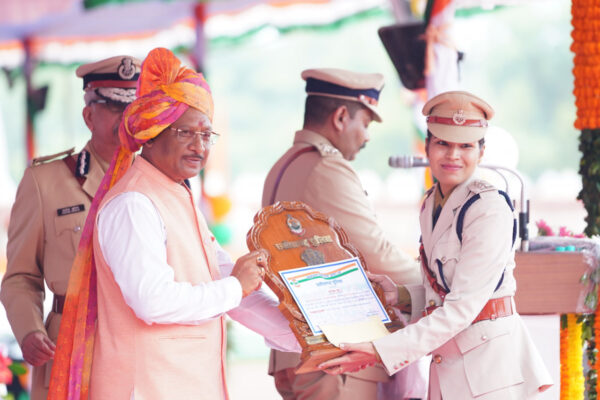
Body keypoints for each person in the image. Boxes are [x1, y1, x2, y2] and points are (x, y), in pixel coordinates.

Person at [47, 47, 299, 400]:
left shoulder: (176, 195)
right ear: (152, 132)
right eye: (186, 133)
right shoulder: (134, 203)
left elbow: (228, 282)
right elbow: (153, 300)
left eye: (207, 135)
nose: (200, 147)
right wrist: (235, 288)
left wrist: (308, 337)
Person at [318, 91, 553, 399]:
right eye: (443, 143)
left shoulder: (489, 208)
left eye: (465, 146)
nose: (453, 155)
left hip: (490, 373)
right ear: (427, 146)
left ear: (481, 153)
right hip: (450, 368)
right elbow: (444, 289)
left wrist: (378, 351)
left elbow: (459, 309)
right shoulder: (432, 203)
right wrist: (401, 294)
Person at [262, 68, 425, 400]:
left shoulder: (283, 165)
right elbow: (377, 254)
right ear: (340, 117)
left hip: (300, 349)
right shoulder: (326, 167)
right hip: (336, 353)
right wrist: (440, 287)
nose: (366, 137)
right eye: (364, 124)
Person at [0, 55, 141, 400]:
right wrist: (30, 331)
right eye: (116, 108)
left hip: (141, 347)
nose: (128, 120)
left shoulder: (158, 181)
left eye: (135, 109)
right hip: (70, 345)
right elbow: (20, 276)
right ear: (89, 115)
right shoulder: (45, 182)